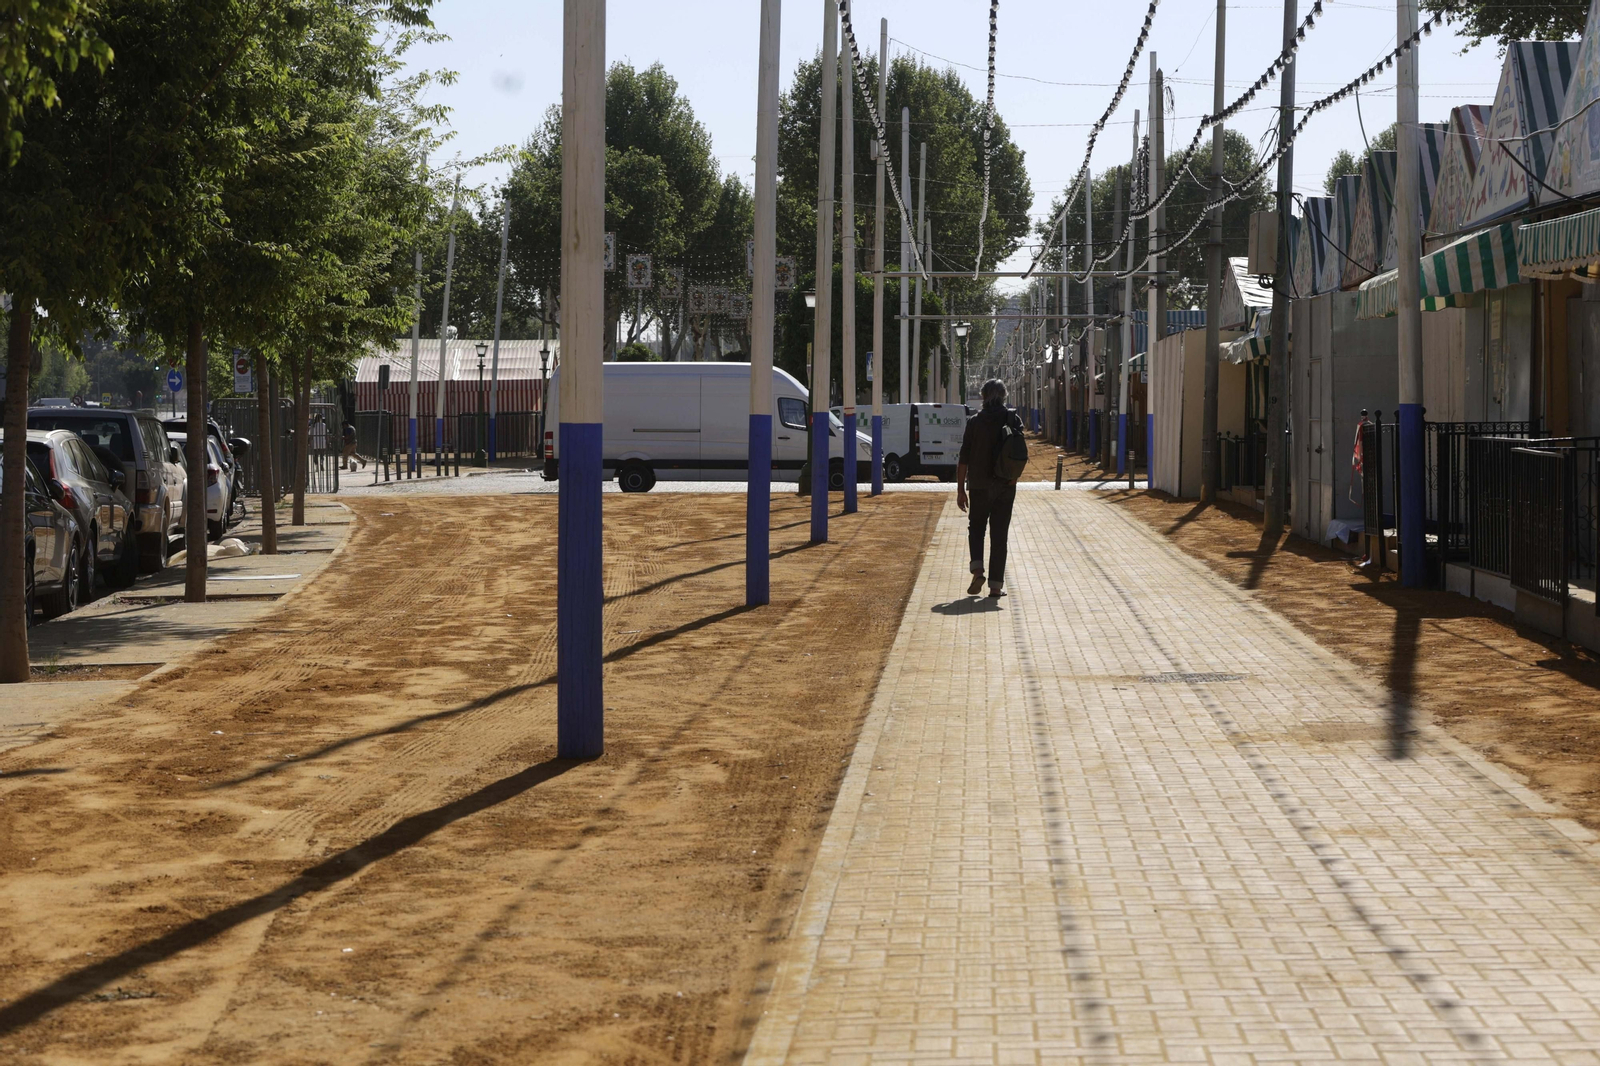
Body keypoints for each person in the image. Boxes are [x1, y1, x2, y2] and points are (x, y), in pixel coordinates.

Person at [956, 378, 1024, 598]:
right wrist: (1015, 477)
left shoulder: (974, 422)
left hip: (979, 486)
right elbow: (1020, 453)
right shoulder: (1013, 419)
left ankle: (978, 571)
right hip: (1006, 485)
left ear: (984, 397)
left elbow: (963, 458)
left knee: (976, 528)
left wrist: (960, 490)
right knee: (999, 535)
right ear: (1003, 396)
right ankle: (995, 587)